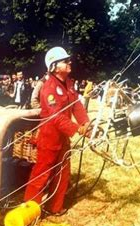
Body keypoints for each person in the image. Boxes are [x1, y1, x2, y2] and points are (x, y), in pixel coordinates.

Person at [24, 46, 93, 215]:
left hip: (63, 138)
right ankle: (28, 212)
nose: (70, 62)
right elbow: (55, 117)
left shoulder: (69, 84)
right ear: (54, 66)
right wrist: (77, 128)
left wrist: (87, 124)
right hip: (49, 138)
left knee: (63, 172)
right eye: (65, 60)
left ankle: (55, 208)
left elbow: (76, 105)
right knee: (41, 174)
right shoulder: (48, 88)